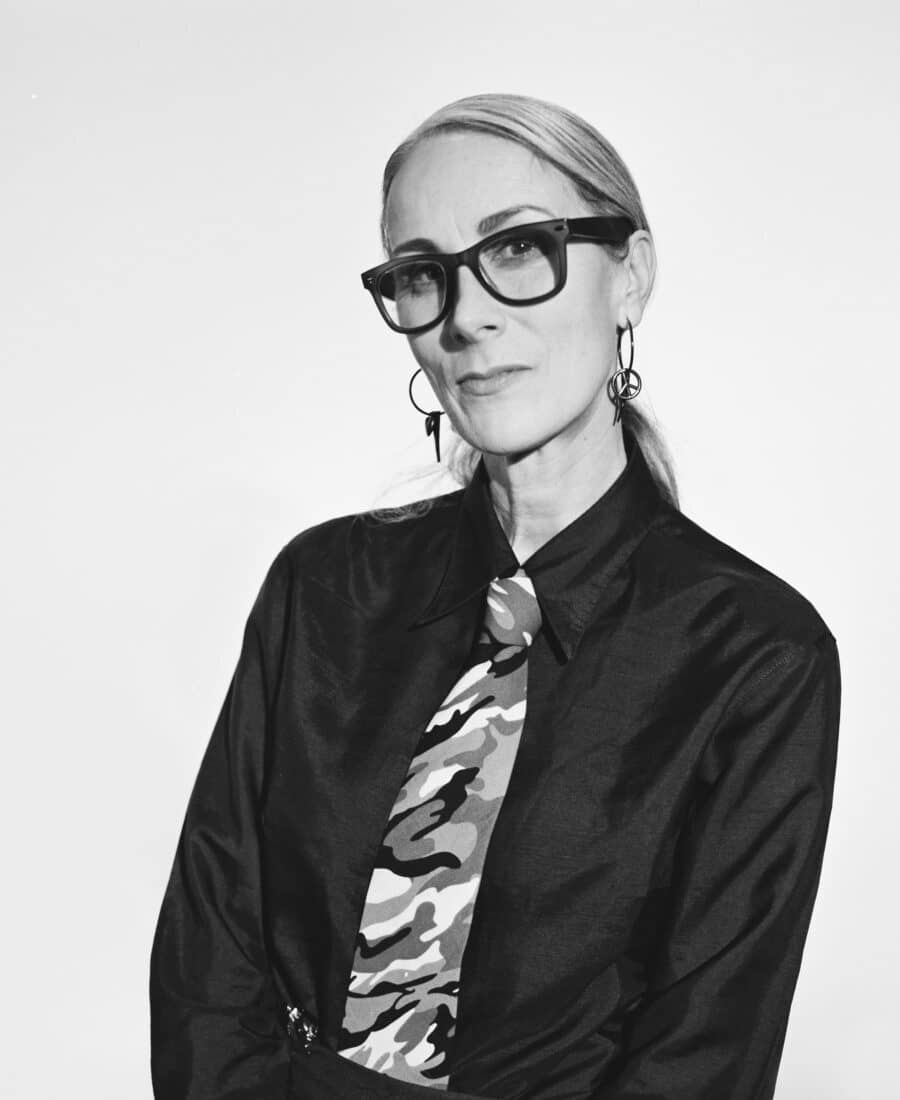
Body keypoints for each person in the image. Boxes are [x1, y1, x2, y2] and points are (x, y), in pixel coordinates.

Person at [149, 93, 841, 1100]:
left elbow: (704, 1056)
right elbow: (208, 957)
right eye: (423, 272)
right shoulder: (324, 586)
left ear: (631, 277)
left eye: (518, 249)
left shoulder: (755, 652)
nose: (467, 315)